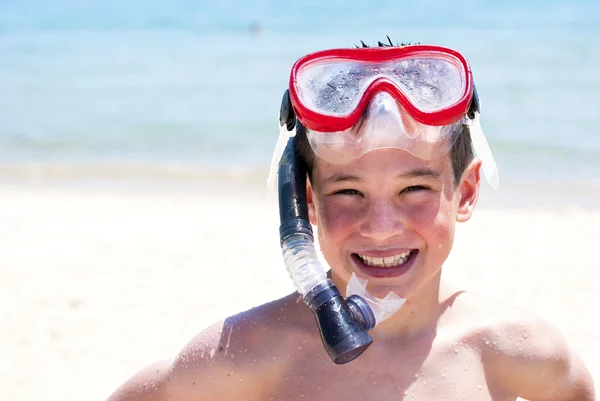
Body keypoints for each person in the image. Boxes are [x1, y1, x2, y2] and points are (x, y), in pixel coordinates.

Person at [107, 40, 594, 400]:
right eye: (348, 192)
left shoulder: (515, 350)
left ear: (464, 192)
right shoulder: (245, 356)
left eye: (414, 189)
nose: (381, 226)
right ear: (306, 205)